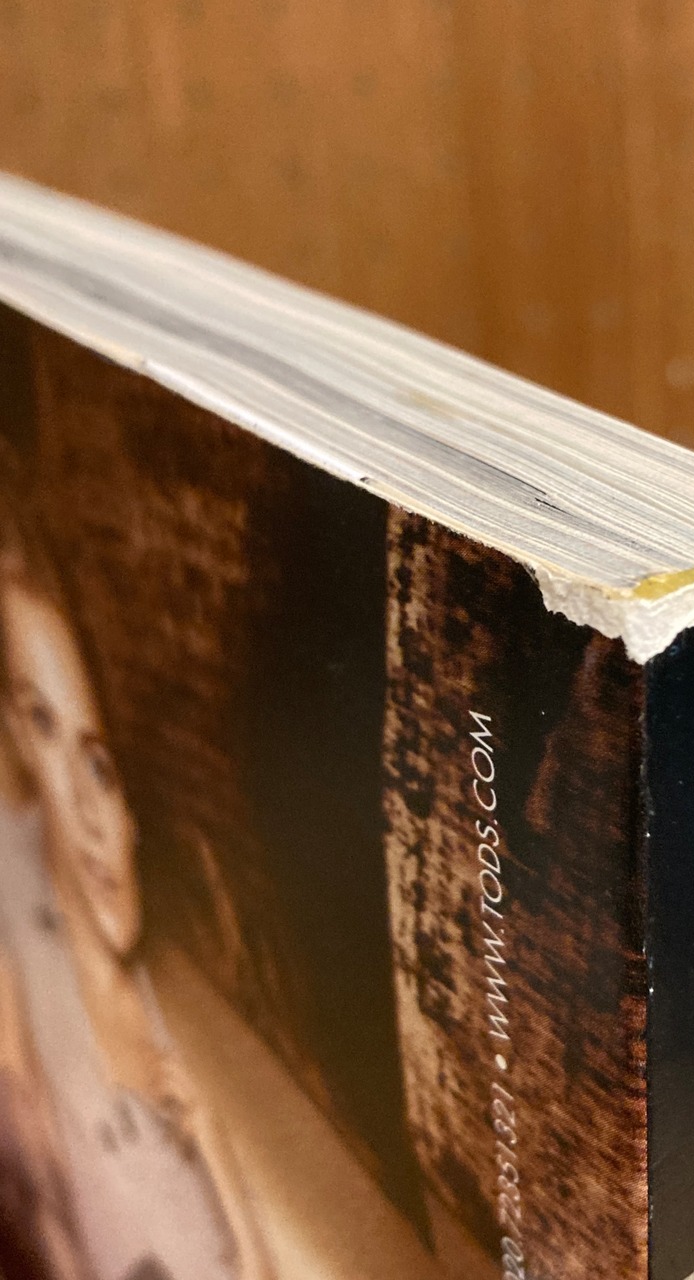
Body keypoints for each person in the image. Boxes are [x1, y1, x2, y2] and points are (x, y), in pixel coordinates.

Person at [0, 471, 274, 1280]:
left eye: (103, 767)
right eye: (40, 722)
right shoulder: (23, 900)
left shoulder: (183, 1062)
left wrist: (219, 1163)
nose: (83, 811)